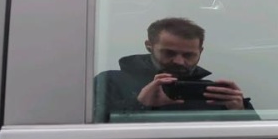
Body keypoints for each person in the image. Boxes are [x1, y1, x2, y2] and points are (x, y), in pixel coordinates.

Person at [94, 17, 254, 122]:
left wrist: (240, 111)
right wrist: (140, 105)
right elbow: (91, 135)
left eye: (188, 55)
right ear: (149, 46)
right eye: (169, 53)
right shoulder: (110, 82)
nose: (179, 61)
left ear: (200, 52)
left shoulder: (212, 93)